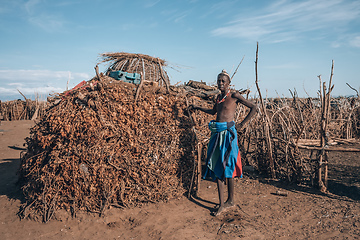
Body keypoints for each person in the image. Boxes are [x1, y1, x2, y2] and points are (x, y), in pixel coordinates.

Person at [190, 69, 257, 216]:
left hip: (229, 135)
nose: (220, 83)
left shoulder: (234, 95)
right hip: (217, 133)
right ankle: (224, 203)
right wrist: (198, 107)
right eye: (218, 81)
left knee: (228, 166)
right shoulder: (219, 98)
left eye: (223, 81)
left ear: (229, 83)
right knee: (219, 166)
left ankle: (228, 202)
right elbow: (214, 112)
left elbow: (254, 107)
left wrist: (241, 124)